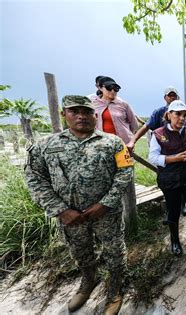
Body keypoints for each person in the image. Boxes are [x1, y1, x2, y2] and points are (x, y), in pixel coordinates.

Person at [25, 96, 132, 315]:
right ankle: (88, 283)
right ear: (65, 114)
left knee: (114, 253)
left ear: (95, 116)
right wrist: (61, 210)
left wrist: (105, 203)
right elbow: (35, 178)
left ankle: (114, 290)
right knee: (81, 253)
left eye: (86, 112)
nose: (81, 116)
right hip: (70, 217)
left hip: (106, 214)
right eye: (74, 111)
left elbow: (124, 172)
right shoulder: (46, 145)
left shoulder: (112, 142)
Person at [148, 100, 186, 256]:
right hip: (169, 180)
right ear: (169, 115)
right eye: (178, 114)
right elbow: (153, 157)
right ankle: (175, 241)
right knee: (173, 211)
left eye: (184, 115)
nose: (182, 118)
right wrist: (175, 158)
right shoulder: (159, 134)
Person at [93, 76, 139, 223]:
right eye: (109, 88)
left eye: (116, 88)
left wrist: (130, 141)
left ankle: (130, 217)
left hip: (122, 147)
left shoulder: (123, 104)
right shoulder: (92, 103)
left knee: (125, 178)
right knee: (105, 178)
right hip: (102, 147)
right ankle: (108, 214)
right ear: (100, 87)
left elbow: (134, 125)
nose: (113, 91)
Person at [126, 86, 186, 152]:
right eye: (170, 95)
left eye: (174, 95)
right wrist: (132, 141)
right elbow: (146, 127)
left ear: (178, 97)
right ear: (165, 98)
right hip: (165, 150)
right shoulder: (159, 112)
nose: (172, 97)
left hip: (183, 149)